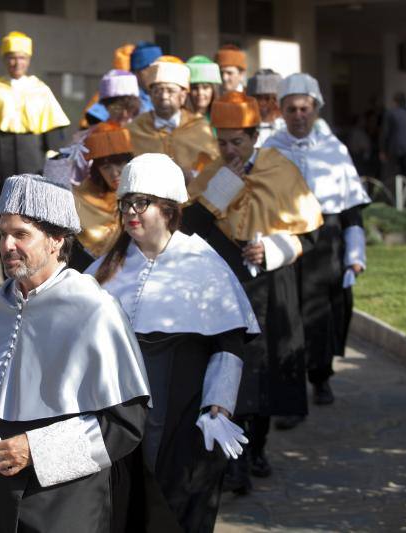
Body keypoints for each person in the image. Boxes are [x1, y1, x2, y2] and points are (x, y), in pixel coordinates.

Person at [0, 172, 151, 533]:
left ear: (56, 239)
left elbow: (124, 425)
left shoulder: (95, 309)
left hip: (67, 505)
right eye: (3, 233)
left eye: (21, 234)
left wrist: (35, 449)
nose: (7, 245)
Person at [86, 153, 257, 531]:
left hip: (183, 408)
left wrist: (219, 406)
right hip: (117, 409)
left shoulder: (203, 263)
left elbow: (229, 344)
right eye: (125, 203)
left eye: (141, 203)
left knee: (175, 501)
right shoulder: (105, 267)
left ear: (168, 208)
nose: (130, 213)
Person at [184, 91, 324, 493]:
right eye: (223, 142)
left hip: (272, 285)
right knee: (232, 369)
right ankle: (236, 461)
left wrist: (274, 249)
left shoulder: (280, 168)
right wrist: (222, 188)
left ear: (254, 137)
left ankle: (258, 448)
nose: (229, 150)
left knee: (266, 373)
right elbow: (189, 228)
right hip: (224, 285)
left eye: (237, 142)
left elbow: (311, 233)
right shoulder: (213, 173)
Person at [262, 73, 371, 406]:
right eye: (291, 109)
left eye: (304, 109)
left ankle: (321, 376)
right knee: (286, 314)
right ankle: (290, 389)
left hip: (326, 242)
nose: (299, 116)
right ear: (281, 111)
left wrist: (356, 255)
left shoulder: (334, 150)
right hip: (284, 239)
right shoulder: (269, 150)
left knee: (322, 312)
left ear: (316, 110)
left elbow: (351, 211)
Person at [0, 30, 70, 257]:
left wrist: (53, 171)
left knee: (36, 219)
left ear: (29, 59)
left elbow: (53, 136)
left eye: (22, 57)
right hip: (1, 169)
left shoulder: (41, 90)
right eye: (12, 57)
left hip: (35, 166)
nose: (17, 62)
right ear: (4, 59)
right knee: (4, 220)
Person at [127, 56, 219, 178]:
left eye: (170, 91)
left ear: (183, 96)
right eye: (158, 91)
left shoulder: (200, 127)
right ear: (150, 95)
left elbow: (213, 168)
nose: (164, 96)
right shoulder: (135, 129)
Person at [69, 122, 134, 270]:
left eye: (120, 164)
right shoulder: (82, 198)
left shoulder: (149, 194)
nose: (114, 173)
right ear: (98, 171)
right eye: (106, 167)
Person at [380, 91, 406, 181]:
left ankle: (400, 189)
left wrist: (383, 150)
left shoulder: (391, 113)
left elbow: (386, 132)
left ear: (395, 102)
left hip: (396, 150)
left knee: (397, 176)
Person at [246, 68, 284, 147]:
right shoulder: (245, 128)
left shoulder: (287, 128)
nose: (263, 103)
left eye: (268, 98)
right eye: (258, 98)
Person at [129, 41, 163, 115]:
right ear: (136, 72)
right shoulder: (126, 99)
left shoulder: (167, 94)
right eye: (149, 69)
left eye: (158, 68)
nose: (156, 73)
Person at [186, 55, 222, 122]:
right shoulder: (179, 119)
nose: (200, 92)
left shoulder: (221, 117)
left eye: (205, 87)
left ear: (213, 90)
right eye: (195, 88)